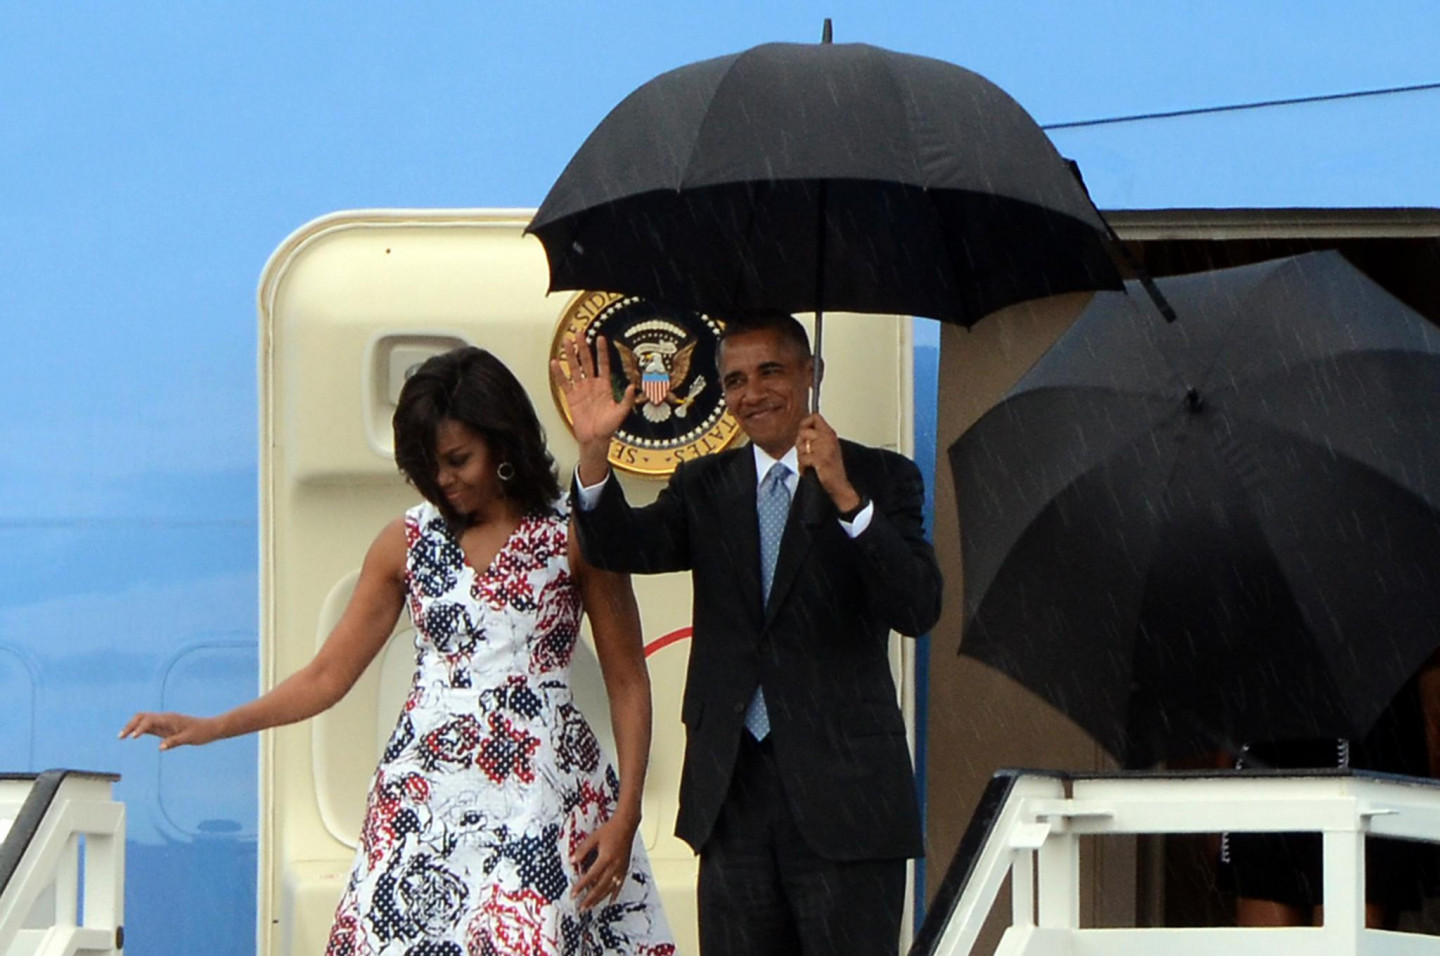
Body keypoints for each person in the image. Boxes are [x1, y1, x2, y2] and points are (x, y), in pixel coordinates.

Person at [121, 347, 675, 955]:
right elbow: (327, 675)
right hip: (422, 796)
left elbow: (628, 680)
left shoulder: (573, 532)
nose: (444, 480)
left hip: (544, 795)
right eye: (427, 466)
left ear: (503, 442)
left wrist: (627, 815)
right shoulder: (406, 541)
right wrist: (214, 726)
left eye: (458, 460)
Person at [552, 311, 943, 956]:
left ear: (811, 374)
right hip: (732, 795)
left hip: (846, 800)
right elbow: (621, 545)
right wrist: (594, 453)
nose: (752, 393)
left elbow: (918, 606)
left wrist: (845, 496)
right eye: (735, 380)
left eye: (770, 372)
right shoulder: (706, 484)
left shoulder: (880, 477)